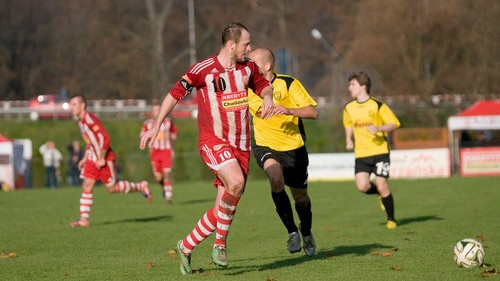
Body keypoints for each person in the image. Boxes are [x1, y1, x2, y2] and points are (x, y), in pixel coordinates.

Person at [140, 22, 276, 275]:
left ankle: (186, 246)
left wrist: (267, 97)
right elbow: (173, 95)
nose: (249, 48)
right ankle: (220, 245)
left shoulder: (248, 68)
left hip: (241, 146)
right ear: (232, 44)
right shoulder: (202, 70)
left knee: (222, 207)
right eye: (246, 44)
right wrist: (156, 125)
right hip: (212, 141)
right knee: (235, 182)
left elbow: (263, 86)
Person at [247, 48, 318, 256]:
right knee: (275, 178)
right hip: (264, 145)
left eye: (253, 62)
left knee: (300, 197)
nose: (249, 66)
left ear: (267, 66)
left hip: (293, 149)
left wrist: (289, 110)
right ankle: (292, 233)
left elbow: (313, 112)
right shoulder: (246, 88)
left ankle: (306, 233)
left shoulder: (289, 84)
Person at [68, 94, 151, 227]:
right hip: (92, 158)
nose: (71, 107)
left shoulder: (89, 119)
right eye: (70, 104)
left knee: (112, 188)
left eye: (74, 104)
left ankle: (140, 186)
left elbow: (104, 138)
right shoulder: (80, 122)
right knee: (87, 185)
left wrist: (101, 157)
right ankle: (84, 219)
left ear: (82, 105)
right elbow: (90, 142)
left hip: (104, 158)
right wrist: (84, 158)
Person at [342, 71, 401, 229]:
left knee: (382, 184)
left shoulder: (377, 105)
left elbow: (393, 123)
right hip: (361, 154)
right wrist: (348, 139)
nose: (349, 87)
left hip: (380, 151)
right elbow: (348, 124)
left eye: (352, 84)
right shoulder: (349, 108)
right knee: (362, 186)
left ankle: (391, 219)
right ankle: (379, 195)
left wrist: (379, 128)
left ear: (363, 86)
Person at [140, 105, 178, 203]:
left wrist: (173, 137)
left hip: (166, 151)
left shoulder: (168, 122)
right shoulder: (147, 124)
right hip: (154, 152)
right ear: (152, 112)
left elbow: (174, 133)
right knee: (158, 177)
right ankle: (164, 187)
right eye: (155, 110)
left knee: (167, 173)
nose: (157, 112)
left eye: (159, 110)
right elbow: (142, 135)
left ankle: (168, 197)